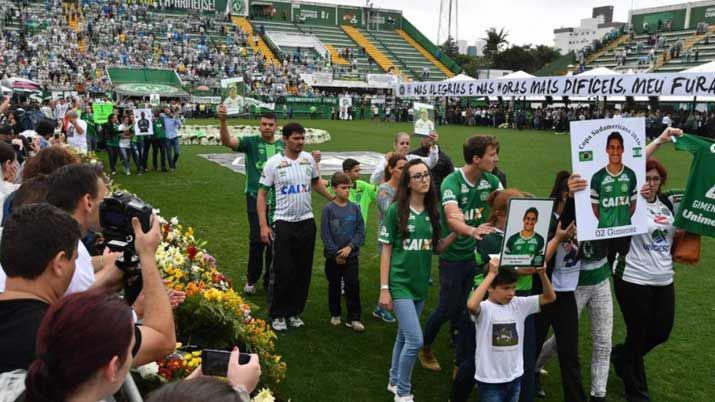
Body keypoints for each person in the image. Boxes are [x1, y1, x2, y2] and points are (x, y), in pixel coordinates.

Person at [0, 203, 175, 374]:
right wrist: (147, 254)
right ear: (60, 263)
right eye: (75, 259)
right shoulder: (67, 329)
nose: (76, 266)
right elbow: (162, 340)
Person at [611, 128, 683, 402]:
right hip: (632, 277)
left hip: (663, 278)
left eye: (656, 179)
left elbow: (702, 197)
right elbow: (625, 166)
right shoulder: (629, 201)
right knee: (638, 333)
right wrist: (660, 140)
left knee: (661, 331)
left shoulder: (668, 203)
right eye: (647, 178)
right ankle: (637, 393)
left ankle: (621, 357)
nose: (651, 183)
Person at [420, 135, 501, 372]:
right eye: (491, 154)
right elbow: (453, 216)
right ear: (476, 158)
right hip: (453, 257)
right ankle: (424, 347)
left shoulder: (492, 180)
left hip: (478, 258)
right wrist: (471, 230)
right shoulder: (451, 182)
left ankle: (461, 355)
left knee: (470, 308)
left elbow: (509, 202)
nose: (496, 158)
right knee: (446, 308)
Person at [378, 159, 457, 402]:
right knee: (415, 339)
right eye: (418, 176)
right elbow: (387, 250)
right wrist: (384, 289)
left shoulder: (433, 213)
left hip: (420, 285)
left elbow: (438, 248)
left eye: (426, 175)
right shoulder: (395, 210)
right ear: (408, 183)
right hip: (400, 284)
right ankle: (403, 391)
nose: (425, 180)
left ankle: (393, 380)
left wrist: (460, 230)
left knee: (403, 337)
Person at [258, 122, 334, 332]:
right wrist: (263, 225)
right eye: (296, 138)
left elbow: (316, 183)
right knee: (282, 270)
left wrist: (334, 200)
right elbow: (262, 194)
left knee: (302, 270)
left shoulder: (308, 159)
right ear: (285, 139)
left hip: (306, 222)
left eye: (302, 138)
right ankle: (278, 313)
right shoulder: (273, 163)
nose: (300, 142)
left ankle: (294, 311)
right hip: (283, 222)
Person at [466, 257, 556, 402]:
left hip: (515, 377)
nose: (511, 293)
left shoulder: (519, 304)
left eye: (514, 287)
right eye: (505, 288)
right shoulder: (485, 308)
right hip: (490, 381)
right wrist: (491, 274)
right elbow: (471, 305)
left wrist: (542, 274)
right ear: (490, 287)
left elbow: (549, 297)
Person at [533, 171, 588, 402]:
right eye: (571, 193)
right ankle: (522, 390)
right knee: (531, 347)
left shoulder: (587, 219)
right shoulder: (545, 217)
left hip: (566, 295)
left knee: (569, 354)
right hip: (542, 293)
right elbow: (539, 257)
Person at [219, 106, 284, 295]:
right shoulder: (251, 143)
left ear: (276, 126)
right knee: (257, 240)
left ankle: (269, 279)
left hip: (279, 201)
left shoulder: (282, 146)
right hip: (255, 198)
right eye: (263, 124)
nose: (266, 127)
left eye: (270, 124)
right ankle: (251, 279)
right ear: (259, 125)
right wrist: (223, 121)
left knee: (274, 242)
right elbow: (227, 141)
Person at [321, 172, 365, 332]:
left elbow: (361, 230)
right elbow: (325, 234)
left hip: (351, 256)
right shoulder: (328, 209)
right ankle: (335, 313)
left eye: (349, 188)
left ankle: (354, 318)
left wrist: (350, 247)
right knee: (334, 285)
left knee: (352, 286)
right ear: (334, 189)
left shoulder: (354, 208)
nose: (347, 191)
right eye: (343, 188)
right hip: (333, 258)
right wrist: (336, 254)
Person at [373, 154, 407, 323]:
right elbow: (390, 212)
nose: (404, 171)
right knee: (392, 276)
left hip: (404, 239)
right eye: (401, 168)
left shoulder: (406, 188)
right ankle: (382, 307)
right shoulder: (384, 190)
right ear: (391, 169)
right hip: (388, 239)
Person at [590, 131, 638, 229]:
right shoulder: (597, 177)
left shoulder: (630, 174)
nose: (615, 151)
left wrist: (622, 223)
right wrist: (607, 224)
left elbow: (633, 206)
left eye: (618, 147)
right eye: (612, 147)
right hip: (604, 232)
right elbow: (595, 209)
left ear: (623, 150)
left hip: (625, 231)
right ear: (607, 150)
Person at [370, 132, 439, 184]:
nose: (405, 146)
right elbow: (373, 180)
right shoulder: (388, 159)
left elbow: (431, 163)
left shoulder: (411, 159)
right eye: (402, 143)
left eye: (407, 143)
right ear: (395, 145)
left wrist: (433, 145)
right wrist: (386, 163)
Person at [341, 158, 377, 224]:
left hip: (360, 231)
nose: (359, 173)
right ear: (346, 172)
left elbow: (380, 191)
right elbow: (319, 183)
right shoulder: (337, 186)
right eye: (356, 171)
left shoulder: (363, 185)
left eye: (359, 170)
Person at [162, 107, 182, 172]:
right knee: (169, 153)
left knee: (177, 153)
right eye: (165, 111)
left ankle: (173, 162)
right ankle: (171, 166)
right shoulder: (163, 117)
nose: (167, 111)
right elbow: (158, 114)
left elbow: (180, 125)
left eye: (167, 110)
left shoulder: (175, 117)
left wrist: (176, 118)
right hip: (167, 137)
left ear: (170, 110)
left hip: (175, 137)